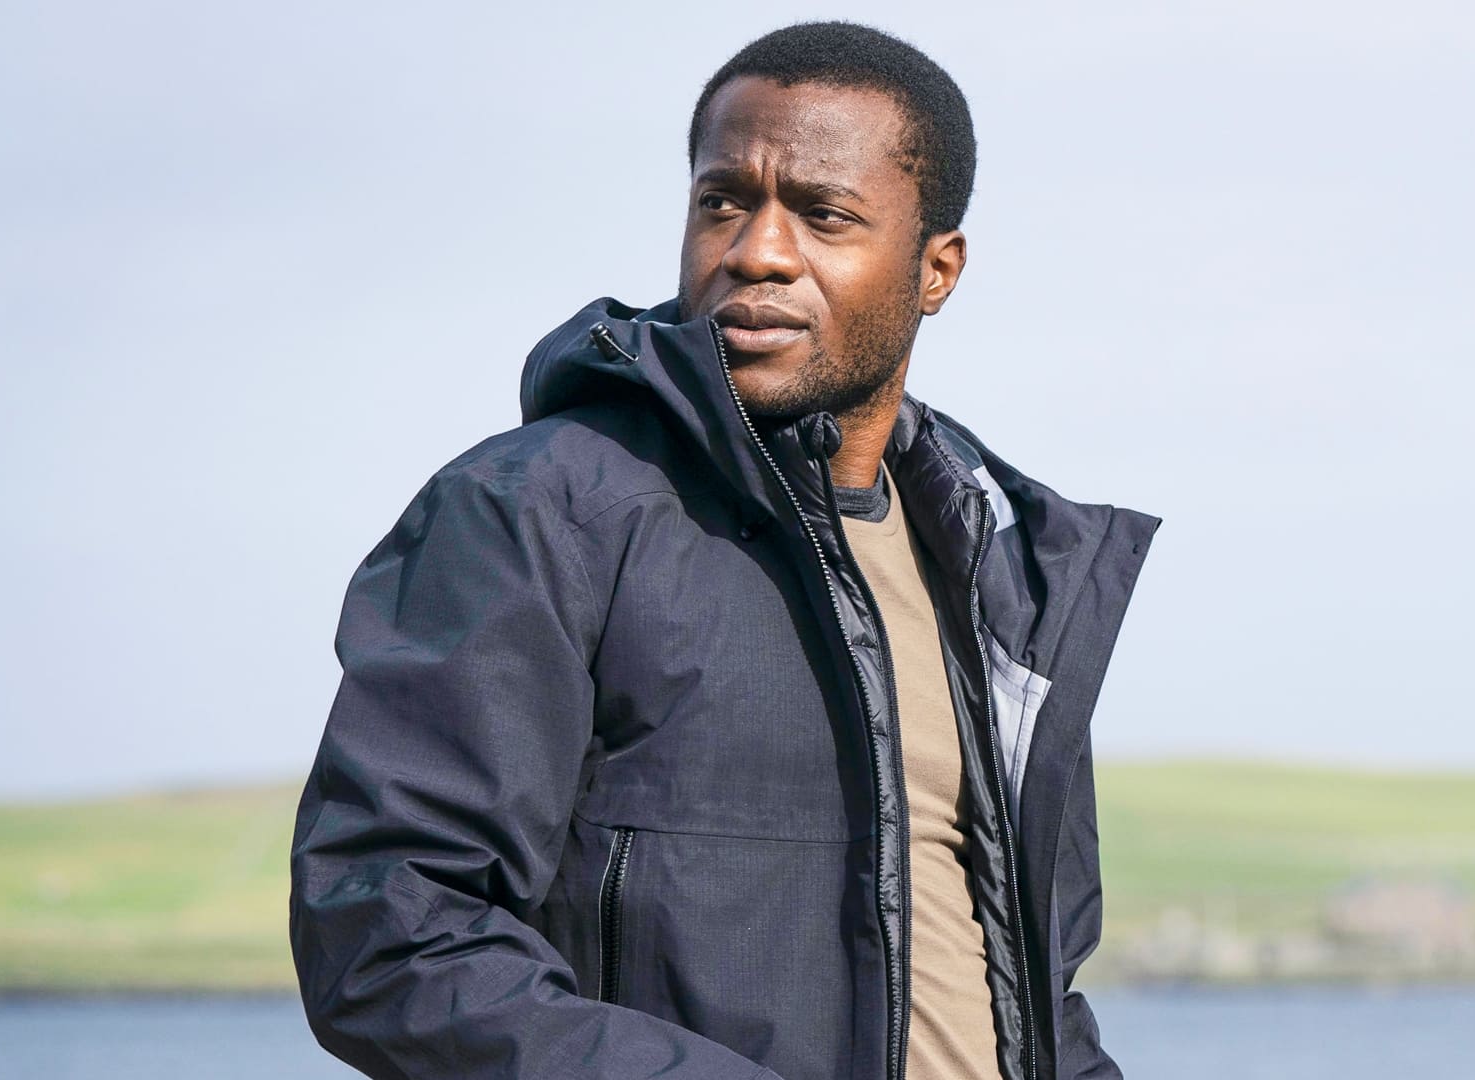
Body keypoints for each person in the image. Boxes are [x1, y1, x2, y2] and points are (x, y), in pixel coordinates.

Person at [289, 19, 1160, 1080]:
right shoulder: (537, 513)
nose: (756, 252)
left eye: (824, 215)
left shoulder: (1002, 569)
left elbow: (1034, 988)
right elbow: (386, 935)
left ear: (936, 270)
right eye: (723, 202)